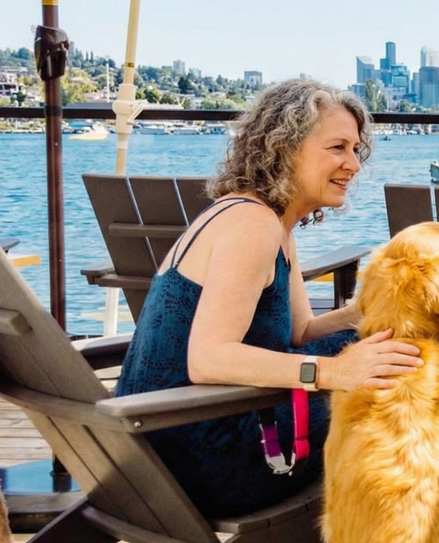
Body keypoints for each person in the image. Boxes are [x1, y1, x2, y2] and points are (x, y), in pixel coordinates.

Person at [114, 78, 423, 518]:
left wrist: (380, 309)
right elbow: (209, 359)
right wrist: (336, 371)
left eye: (356, 150)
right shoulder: (251, 226)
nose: (353, 165)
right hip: (203, 457)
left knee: (391, 352)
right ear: (284, 147)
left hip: (181, 440)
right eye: (337, 148)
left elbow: (300, 332)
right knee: (401, 374)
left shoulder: (269, 223)